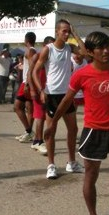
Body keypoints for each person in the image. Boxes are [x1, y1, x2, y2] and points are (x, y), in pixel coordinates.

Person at [44, 31, 109, 215]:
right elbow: (66, 100)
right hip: (94, 131)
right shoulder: (82, 74)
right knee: (91, 177)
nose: (105, 51)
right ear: (90, 53)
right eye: (100, 49)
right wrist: (54, 122)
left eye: (107, 47)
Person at [32, 19, 84, 179]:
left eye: (69, 31)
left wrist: (76, 33)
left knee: (73, 130)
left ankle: (71, 162)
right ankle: (51, 165)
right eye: (64, 31)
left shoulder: (69, 48)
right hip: (52, 94)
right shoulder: (48, 49)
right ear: (57, 32)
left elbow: (85, 52)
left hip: (67, 94)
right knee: (51, 131)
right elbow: (35, 71)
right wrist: (41, 90)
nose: (67, 34)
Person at [28, 36, 55, 155]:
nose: (51, 48)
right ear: (44, 46)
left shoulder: (52, 57)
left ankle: (36, 140)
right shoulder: (37, 56)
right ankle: (38, 141)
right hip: (38, 90)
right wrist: (33, 90)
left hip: (48, 90)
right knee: (39, 116)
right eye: (49, 45)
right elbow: (30, 74)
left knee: (44, 116)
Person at [14, 33, 36, 142]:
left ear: (26, 40)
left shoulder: (30, 51)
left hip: (27, 82)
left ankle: (29, 131)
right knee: (29, 108)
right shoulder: (32, 50)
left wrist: (28, 83)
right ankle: (28, 132)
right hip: (28, 81)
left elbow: (32, 68)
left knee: (17, 106)